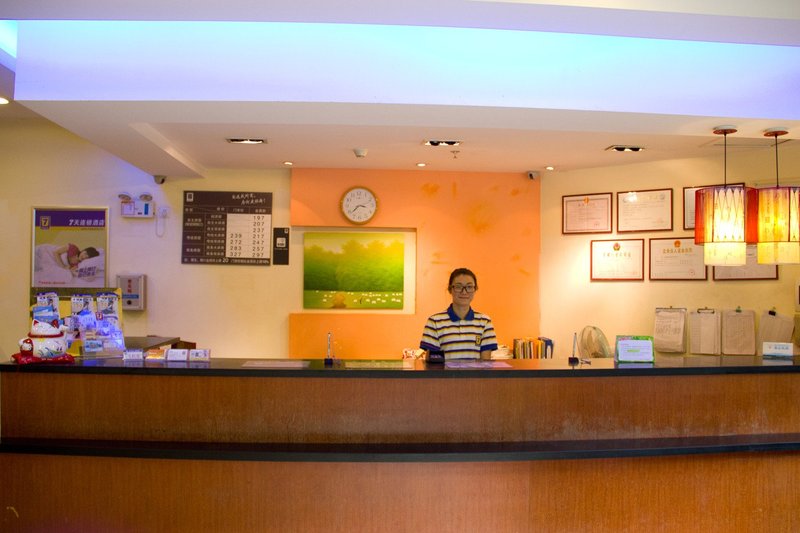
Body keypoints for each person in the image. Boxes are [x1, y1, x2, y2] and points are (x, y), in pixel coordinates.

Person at [420, 267, 498, 360]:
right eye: (458, 287)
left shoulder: (484, 322)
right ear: (450, 289)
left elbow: (485, 363)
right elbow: (433, 363)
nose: (464, 292)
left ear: (475, 289)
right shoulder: (434, 322)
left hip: (475, 371)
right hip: (444, 371)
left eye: (469, 287)